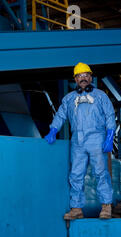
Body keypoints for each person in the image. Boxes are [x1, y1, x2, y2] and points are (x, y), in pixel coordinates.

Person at [44, 62, 116, 220]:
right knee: (75, 174)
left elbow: (110, 115)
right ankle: (76, 209)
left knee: (101, 173)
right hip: (77, 140)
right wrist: (53, 130)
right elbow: (61, 115)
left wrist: (110, 136)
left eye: (86, 75)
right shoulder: (69, 99)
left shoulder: (101, 96)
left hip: (97, 137)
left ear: (91, 77)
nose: (83, 78)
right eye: (79, 76)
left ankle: (106, 207)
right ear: (75, 79)